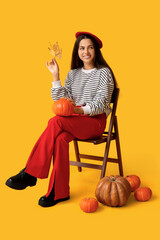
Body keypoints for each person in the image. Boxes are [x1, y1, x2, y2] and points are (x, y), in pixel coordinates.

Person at [5, 31, 117, 207]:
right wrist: (55, 76)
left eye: (90, 47)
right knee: (59, 139)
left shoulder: (104, 73)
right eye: (82, 48)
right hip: (74, 121)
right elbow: (61, 101)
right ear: (77, 51)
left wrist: (79, 110)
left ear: (96, 51)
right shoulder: (73, 74)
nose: (85, 51)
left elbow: (102, 103)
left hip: (94, 122)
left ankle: (30, 173)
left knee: (55, 121)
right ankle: (59, 192)